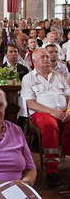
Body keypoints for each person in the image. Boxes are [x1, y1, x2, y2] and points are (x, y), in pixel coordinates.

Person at [21, 48, 70, 187]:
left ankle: (67, 155)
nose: (47, 59)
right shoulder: (28, 78)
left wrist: (68, 110)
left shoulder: (59, 76)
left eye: (48, 56)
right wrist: (52, 112)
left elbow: (69, 95)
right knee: (50, 126)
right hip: (41, 113)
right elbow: (30, 103)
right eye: (43, 57)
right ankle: (51, 170)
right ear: (34, 61)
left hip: (63, 112)